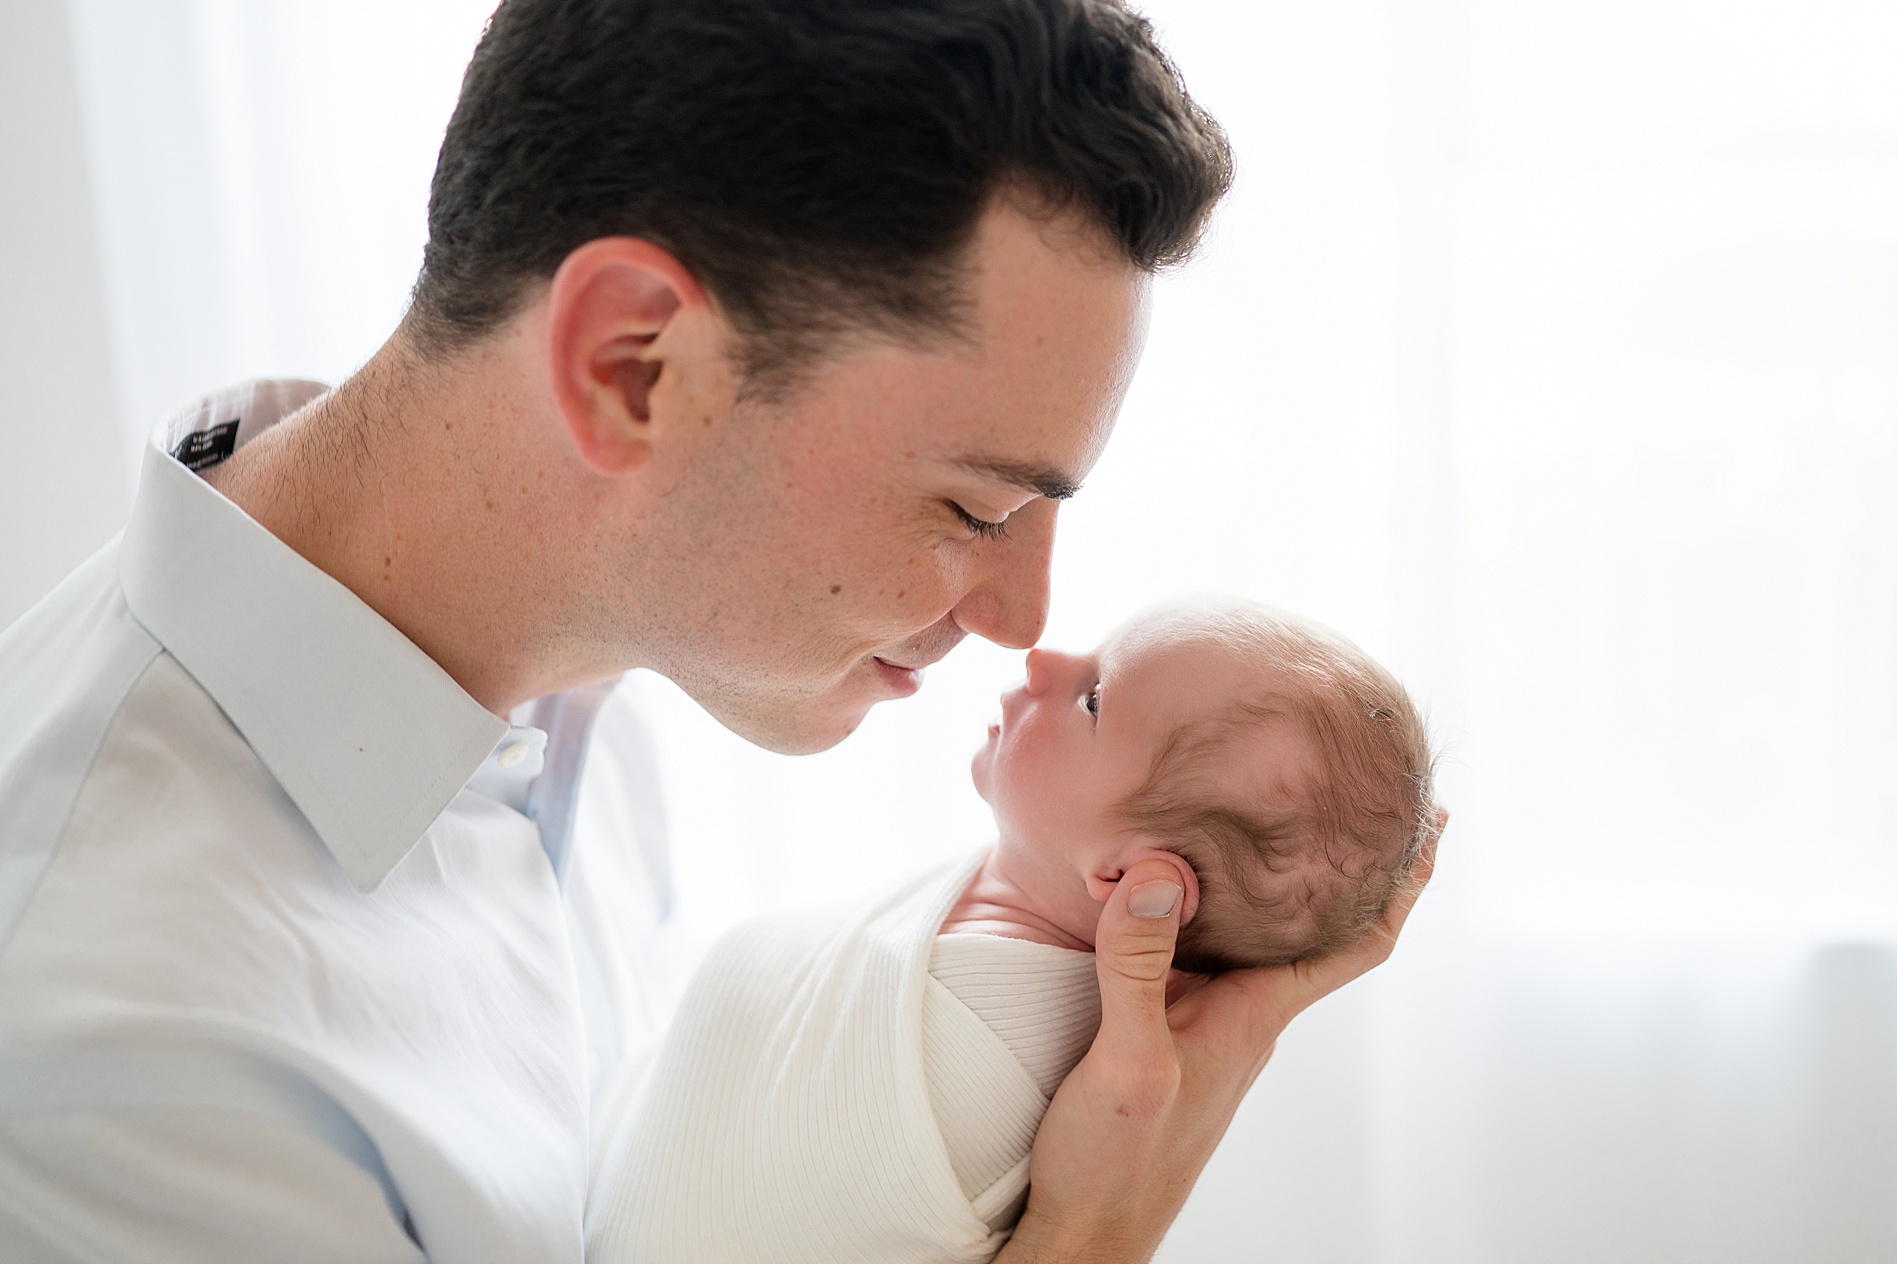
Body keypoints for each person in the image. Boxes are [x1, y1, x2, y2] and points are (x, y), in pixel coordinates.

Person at [0, 1, 1430, 1261]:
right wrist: (1090, 1235)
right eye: (978, 507)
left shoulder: (569, 667)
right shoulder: (130, 1057)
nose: (1019, 623)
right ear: (634, 365)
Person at [586, 599, 1444, 1263]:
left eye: (1096, 698)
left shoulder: (995, 1052)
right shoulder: (1015, 897)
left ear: (1128, 880)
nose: (1042, 658)